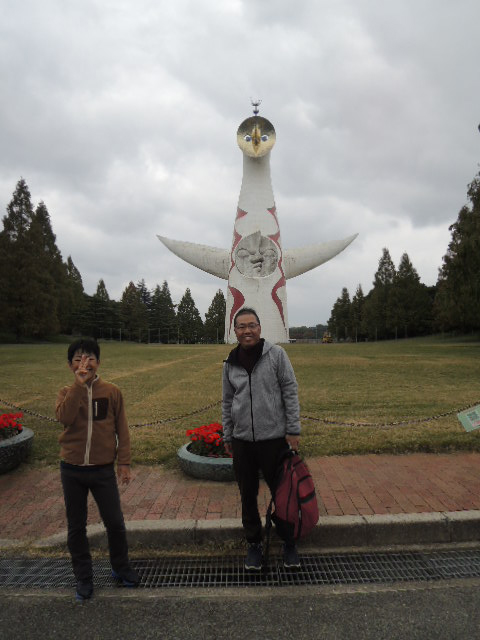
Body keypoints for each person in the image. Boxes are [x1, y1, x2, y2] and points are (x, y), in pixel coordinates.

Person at [56, 338, 140, 600]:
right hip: (72, 469)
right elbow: (65, 417)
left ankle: (121, 567)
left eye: (90, 358)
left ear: (99, 362)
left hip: (102, 470)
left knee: (114, 522)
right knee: (76, 526)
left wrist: (123, 463)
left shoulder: (112, 391)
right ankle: (83, 577)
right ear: (70, 365)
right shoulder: (66, 392)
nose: (85, 363)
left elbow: (122, 429)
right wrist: (78, 387)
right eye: (78, 359)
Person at [222, 308, 301, 570]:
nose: (247, 331)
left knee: (283, 494)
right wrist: (228, 433)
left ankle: (289, 542)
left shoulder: (276, 355)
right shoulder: (230, 362)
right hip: (243, 441)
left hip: (274, 439)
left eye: (252, 325)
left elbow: (290, 391)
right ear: (235, 331)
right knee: (247, 495)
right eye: (241, 326)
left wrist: (293, 430)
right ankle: (254, 543)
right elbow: (227, 401)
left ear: (259, 327)